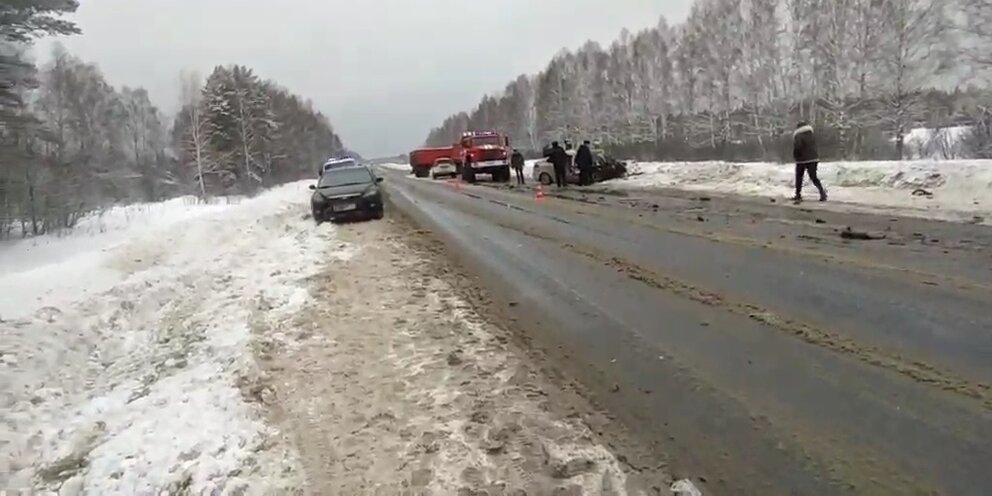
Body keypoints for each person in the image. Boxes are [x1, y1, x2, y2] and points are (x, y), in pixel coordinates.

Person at [793, 121, 827, 203]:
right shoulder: (812, 135)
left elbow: (798, 146)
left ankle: (798, 194)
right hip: (814, 158)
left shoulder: (798, 135)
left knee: (799, 177)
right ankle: (822, 193)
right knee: (813, 177)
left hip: (802, 159)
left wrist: (796, 155)